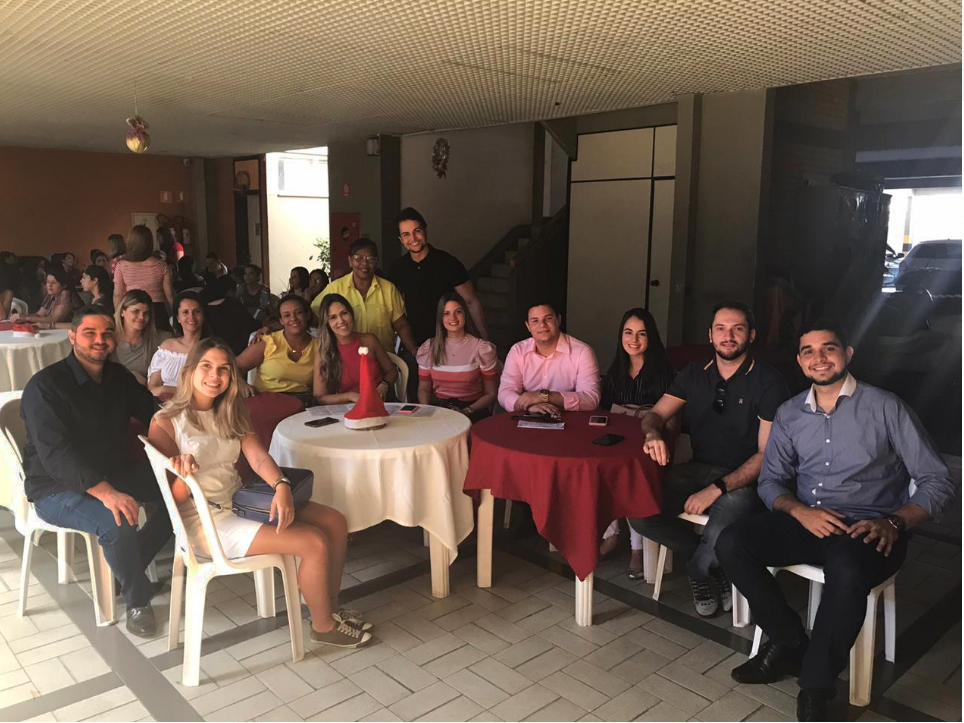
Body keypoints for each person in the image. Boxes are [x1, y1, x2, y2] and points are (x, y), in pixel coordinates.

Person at [716, 320, 956, 721]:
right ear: (800, 361)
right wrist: (799, 511)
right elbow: (771, 480)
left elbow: (938, 480)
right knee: (732, 542)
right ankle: (789, 641)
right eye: (808, 351)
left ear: (847, 354)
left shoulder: (886, 407)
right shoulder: (790, 413)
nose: (819, 358)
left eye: (828, 348)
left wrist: (896, 522)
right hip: (809, 519)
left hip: (872, 527)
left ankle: (815, 685)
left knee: (847, 568)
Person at [148, 338, 371, 648]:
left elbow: (258, 457)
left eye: (223, 369)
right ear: (189, 371)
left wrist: (280, 484)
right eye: (206, 367)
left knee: (334, 521)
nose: (215, 376)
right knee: (313, 542)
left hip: (240, 501)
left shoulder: (229, 411)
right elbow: (173, 498)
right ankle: (323, 626)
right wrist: (184, 475)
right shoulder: (166, 422)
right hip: (207, 523)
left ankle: (330, 608)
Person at [629, 302, 789, 617]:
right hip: (698, 468)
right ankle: (713, 567)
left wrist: (716, 489)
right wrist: (652, 434)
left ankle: (697, 572)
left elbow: (765, 455)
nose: (728, 336)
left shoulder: (769, 382)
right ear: (710, 335)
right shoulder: (693, 373)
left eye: (737, 329)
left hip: (747, 479)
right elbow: (655, 415)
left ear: (751, 335)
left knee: (719, 531)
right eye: (720, 329)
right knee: (640, 511)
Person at [20, 308, 172, 636]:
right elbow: (55, 456)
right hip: (55, 486)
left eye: (106, 333)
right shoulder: (45, 386)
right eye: (90, 333)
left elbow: (151, 411)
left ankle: (127, 569)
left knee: (178, 496)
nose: (99, 340)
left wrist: (190, 417)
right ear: (72, 336)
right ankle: (137, 600)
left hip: (113, 471)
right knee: (117, 520)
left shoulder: (118, 377)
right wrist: (107, 492)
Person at [599, 308, 676, 578]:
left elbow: (671, 422)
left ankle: (637, 548)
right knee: (603, 470)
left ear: (650, 337)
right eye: (628, 332)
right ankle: (610, 534)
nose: (634, 340)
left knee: (633, 479)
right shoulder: (616, 370)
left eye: (641, 334)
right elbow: (604, 410)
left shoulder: (664, 372)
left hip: (650, 445)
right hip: (618, 441)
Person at [389, 207, 489, 345]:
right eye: (406, 234)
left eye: (417, 231)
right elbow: (394, 310)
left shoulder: (448, 263)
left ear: (425, 231)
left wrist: (484, 339)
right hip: (415, 344)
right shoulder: (397, 268)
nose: (413, 238)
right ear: (401, 239)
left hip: (450, 341)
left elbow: (471, 302)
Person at [311, 238, 418, 360]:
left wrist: (413, 349)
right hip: (346, 361)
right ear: (350, 261)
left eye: (370, 259)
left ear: (376, 262)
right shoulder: (335, 288)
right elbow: (313, 315)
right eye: (358, 258)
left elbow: (401, 325)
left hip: (384, 360)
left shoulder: (389, 289)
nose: (364, 264)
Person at [498, 302, 600, 415]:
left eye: (548, 318)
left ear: (558, 320)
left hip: (569, 417)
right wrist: (529, 406)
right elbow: (505, 392)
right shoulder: (518, 351)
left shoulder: (582, 352)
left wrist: (543, 396)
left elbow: (590, 399)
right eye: (535, 321)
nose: (542, 325)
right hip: (529, 415)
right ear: (528, 326)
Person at [416, 292, 498, 423]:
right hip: (439, 410)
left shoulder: (481, 348)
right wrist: (428, 412)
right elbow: (423, 389)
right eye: (446, 313)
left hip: (472, 410)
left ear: (465, 314)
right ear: (440, 318)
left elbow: (491, 393)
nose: (453, 317)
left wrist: (466, 411)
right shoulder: (429, 348)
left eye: (458, 312)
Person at [313, 293, 397, 405]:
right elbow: (320, 397)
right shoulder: (324, 353)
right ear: (327, 323)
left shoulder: (369, 340)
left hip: (380, 404)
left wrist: (384, 385)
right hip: (348, 409)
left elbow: (392, 371)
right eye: (333, 317)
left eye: (344, 313)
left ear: (351, 314)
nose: (341, 321)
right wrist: (350, 396)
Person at [236, 294, 320, 404]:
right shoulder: (268, 341)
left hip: (302, 405)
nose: (293, 318)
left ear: (307, 315)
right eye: (287, 315)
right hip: (266, 402)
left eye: (298, 313)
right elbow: (235, 366)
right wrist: (242, 384)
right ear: (281, 321)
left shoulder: (319, 346)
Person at [114, 226, 175, 331]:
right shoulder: (161, 265)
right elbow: (169, 294)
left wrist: (118, 315)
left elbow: (117, 295)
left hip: (133, 309)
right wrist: (175, 313)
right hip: (157, 310)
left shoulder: (122, 265)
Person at [148, 291, 206, 399]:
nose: (191, 316)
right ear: (178, 318)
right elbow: (153, 386)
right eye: (185, 312)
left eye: (196, 311)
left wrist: (166, 389)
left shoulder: (211, 349)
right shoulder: (167, 347)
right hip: (164, 404)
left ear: (203, 316)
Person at [112, 290, 171, 385]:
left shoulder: (162, 339)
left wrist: (147, 383)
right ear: (122, 312)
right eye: (136, 311)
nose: (141, 317)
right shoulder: (109, 339)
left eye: (146, 313)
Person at [202, 276, 260, 356]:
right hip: (237, 351)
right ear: (230, 291)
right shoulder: (233, 304)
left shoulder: (203, 308)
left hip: (211, 350)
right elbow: (250, 324)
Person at [17, 266, 83, 328]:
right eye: (48, 282)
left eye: (54, 283)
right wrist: (22, 317)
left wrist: (27, 318)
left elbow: (54, 319)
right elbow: (39, 314)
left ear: (64, 286)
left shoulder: (65, 295)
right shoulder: (51, 295)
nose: (49, 285)